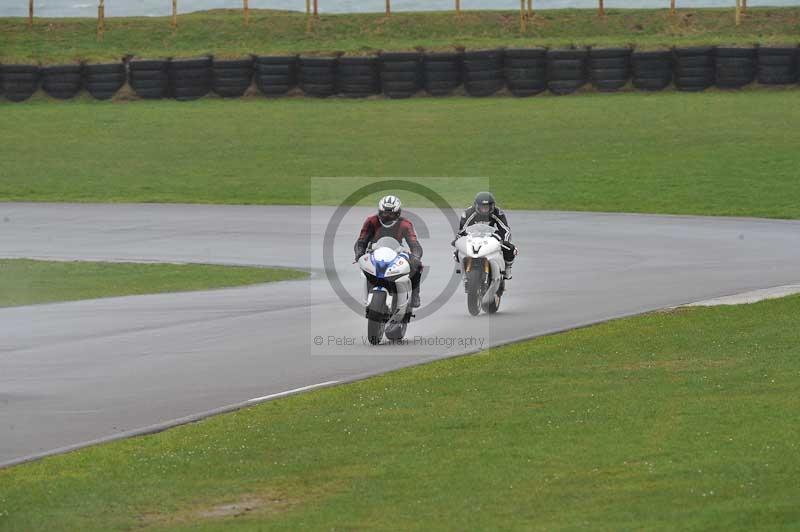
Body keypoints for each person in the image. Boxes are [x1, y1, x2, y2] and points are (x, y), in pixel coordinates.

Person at [354, 195, 423, 308]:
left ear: (398, 213)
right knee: (364, 267)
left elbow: (414, 243)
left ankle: (415, 295)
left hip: (397, 252)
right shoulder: (371, 221)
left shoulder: (405, 224)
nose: (387, 216)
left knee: (418, 266)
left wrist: (416, 256)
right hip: (374, 252)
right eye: (384, 213)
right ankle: (368, 293)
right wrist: (359, 253)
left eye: (391, 214)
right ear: (379, 211)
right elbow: (361, 240)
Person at [455, 191, 517, 279]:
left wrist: (505, 241)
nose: (484, 209)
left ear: (492, 206)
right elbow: (462, 230)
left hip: (492, 236)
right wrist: (458, 240)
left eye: (487, 207)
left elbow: (505, 229)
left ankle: (507, 268)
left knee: (510, 248)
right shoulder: (468, 213)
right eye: (482, 206)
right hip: (473, 236)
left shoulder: (498, 213)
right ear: (476, 205)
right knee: (457, 251)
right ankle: (463, 270)